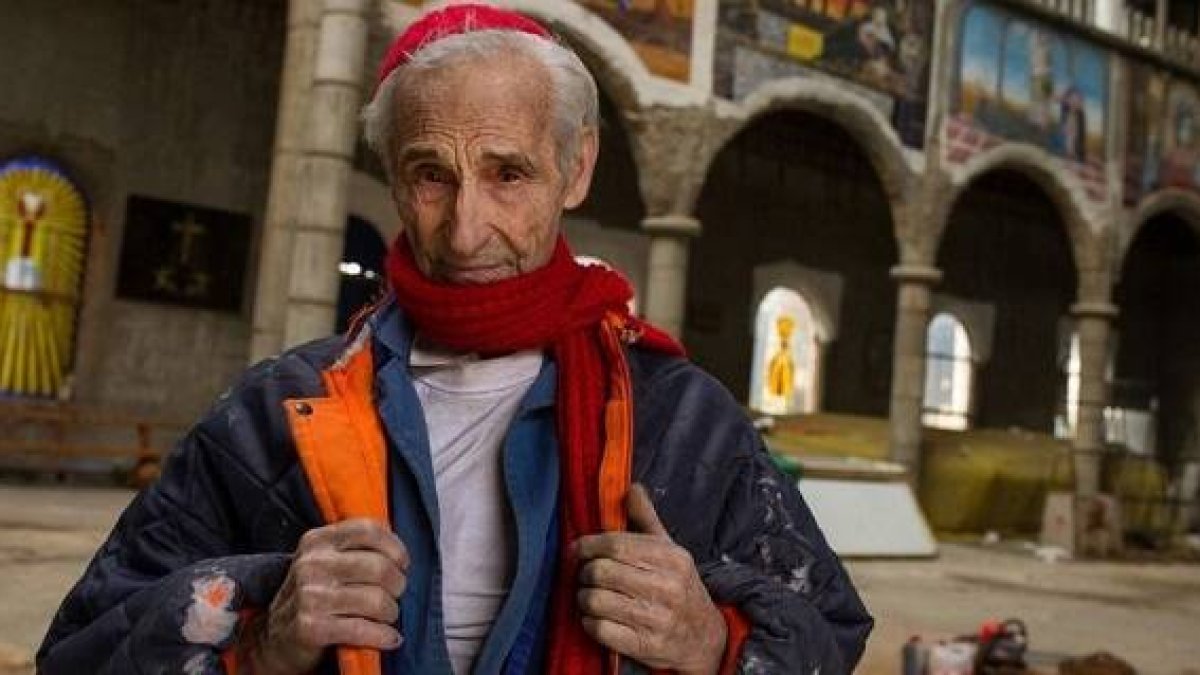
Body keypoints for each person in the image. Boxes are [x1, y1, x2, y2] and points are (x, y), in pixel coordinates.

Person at [37, 4, 872, 674]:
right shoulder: (275, 415)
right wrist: (256, 635)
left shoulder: (681, 418)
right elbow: (80, 644)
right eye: (431, 175)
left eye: (508, 173)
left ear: (575, 169)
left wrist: (714, 643)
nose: (468, 229)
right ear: (395, 179)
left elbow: (829, 633)